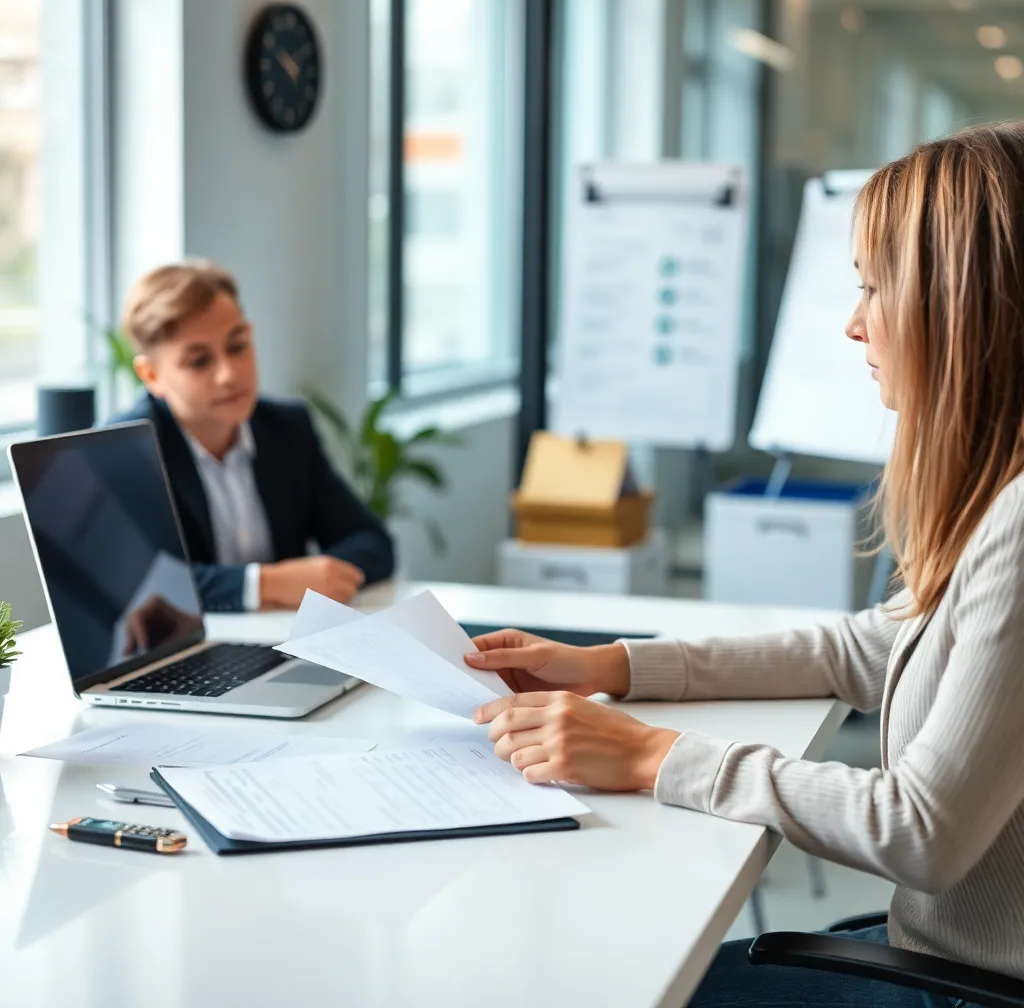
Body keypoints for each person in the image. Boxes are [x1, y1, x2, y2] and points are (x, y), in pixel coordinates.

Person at [466, 122, 1024, 1005]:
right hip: (940, 948)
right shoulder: (1002, 494)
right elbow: (869, 649)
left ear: (960, 306)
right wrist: (613, 666)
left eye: (875, 288)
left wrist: (654, 755)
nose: (852, 323)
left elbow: (921, 832)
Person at [109, 260, 395, 613]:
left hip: (282, 637)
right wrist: (266, 584)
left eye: (237, 345)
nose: (229, 374)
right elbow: (140, 584)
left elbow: (372, 542)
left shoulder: (287, 427)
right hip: (195, 653)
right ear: (151, 375)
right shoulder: (125, 450)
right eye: (199, 362)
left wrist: (321, 576)